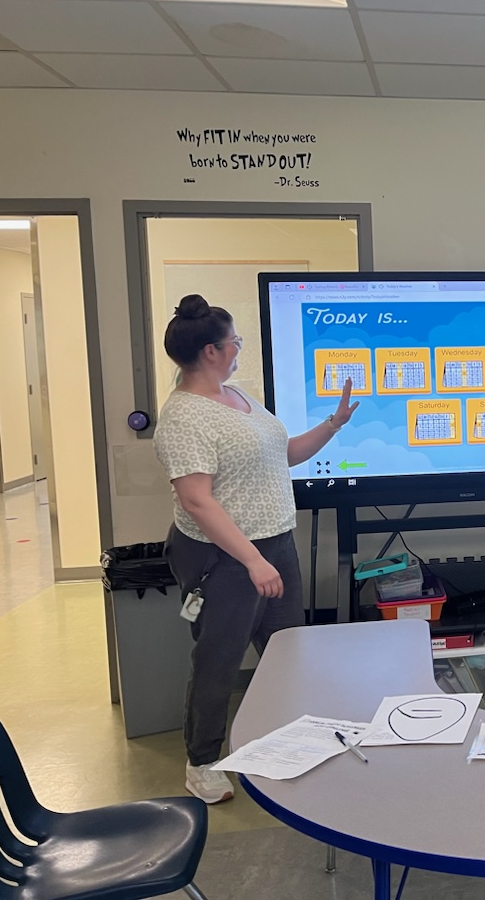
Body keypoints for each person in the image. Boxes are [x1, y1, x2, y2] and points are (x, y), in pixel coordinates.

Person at [153, 294, 357, 804]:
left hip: (275, 542)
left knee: (288, 652)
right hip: (222, 557)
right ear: (210, 352)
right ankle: (202, 762)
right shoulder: (183, 418)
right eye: (234, 342)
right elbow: (197, 501)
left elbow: (280, 455)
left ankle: (290, 745)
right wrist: (252, 559)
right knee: (219, 660)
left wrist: (332, 426)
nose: (239, 348)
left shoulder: (238, 396)